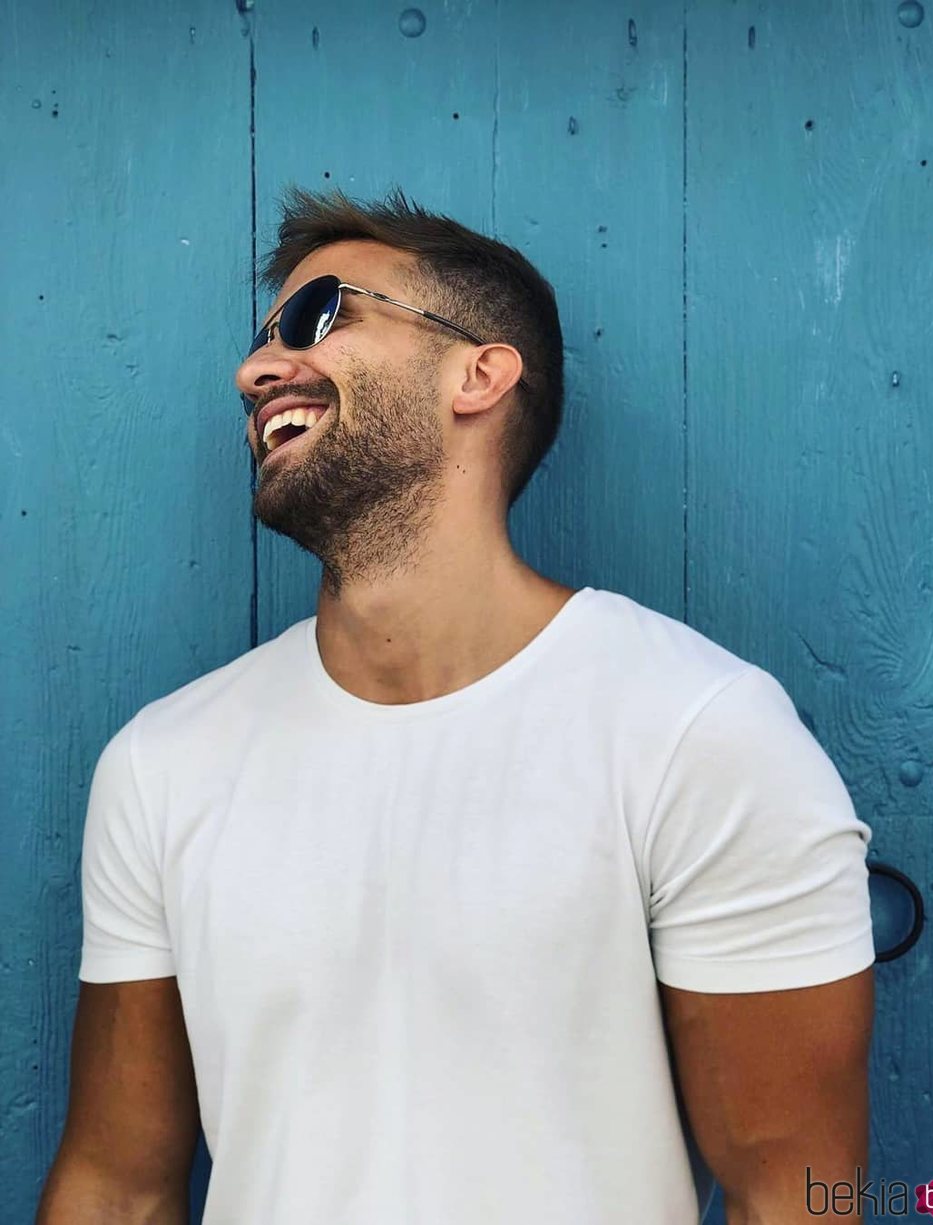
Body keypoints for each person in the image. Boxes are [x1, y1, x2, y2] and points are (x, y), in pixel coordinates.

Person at [38, 188, 875, 1225]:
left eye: (318, 317)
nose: (254, 371)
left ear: (477, 373)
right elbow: (115, 1190)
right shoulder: (163, 763)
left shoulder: (695, 732)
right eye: (260, 341)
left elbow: (797, 1195)